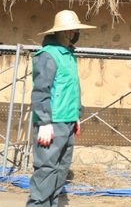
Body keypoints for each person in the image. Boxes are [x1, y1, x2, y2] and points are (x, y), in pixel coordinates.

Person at [26, 10, 95, 207]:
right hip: (52, 122)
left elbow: (71, 89)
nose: (75, 33)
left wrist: (76, 115)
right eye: (72, 30)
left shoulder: (69, 55)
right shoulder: (48, 55)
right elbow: (41, 91)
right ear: (64, 32)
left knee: (61, 169)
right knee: (46, 169)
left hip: (67, 120)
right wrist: (44, 122)